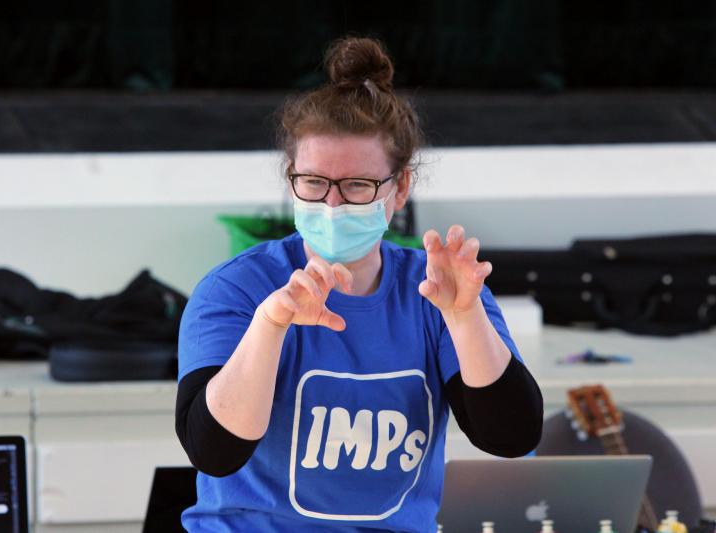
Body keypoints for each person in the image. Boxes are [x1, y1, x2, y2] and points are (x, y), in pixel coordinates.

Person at [175, 36, 543, 532]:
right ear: (291, 179)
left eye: (356, 186)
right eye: (313, 182)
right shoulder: (236, 289)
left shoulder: (437, 287)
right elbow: (214, 452)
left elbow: (511, 437)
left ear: (400, 188)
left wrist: (463, 317)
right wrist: (270, 325)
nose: (331, 205)